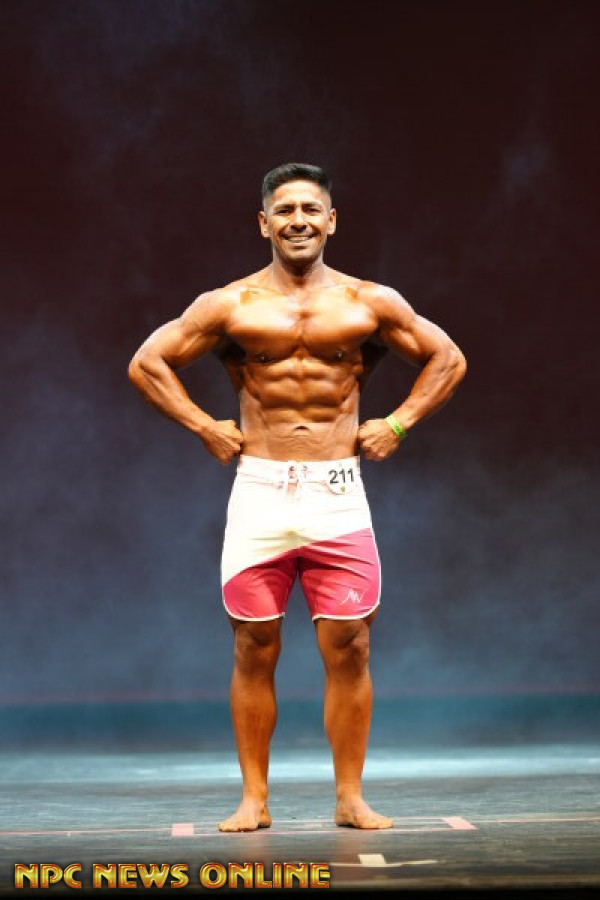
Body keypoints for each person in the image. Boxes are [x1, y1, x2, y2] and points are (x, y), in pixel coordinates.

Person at [128, 162, 466, 832]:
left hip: (335, 494)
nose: (299, 221)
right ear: (264, 223)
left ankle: (350, 797)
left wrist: (399, 423)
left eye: (311, 209)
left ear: (331, 220)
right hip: (261, 492)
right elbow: (147, 362)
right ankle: (253, 799)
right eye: (284, 211)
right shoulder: (230, 305)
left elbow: (448, 358)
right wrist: (204, 426)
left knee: (351, 645)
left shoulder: (369, 302)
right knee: (253, 646)